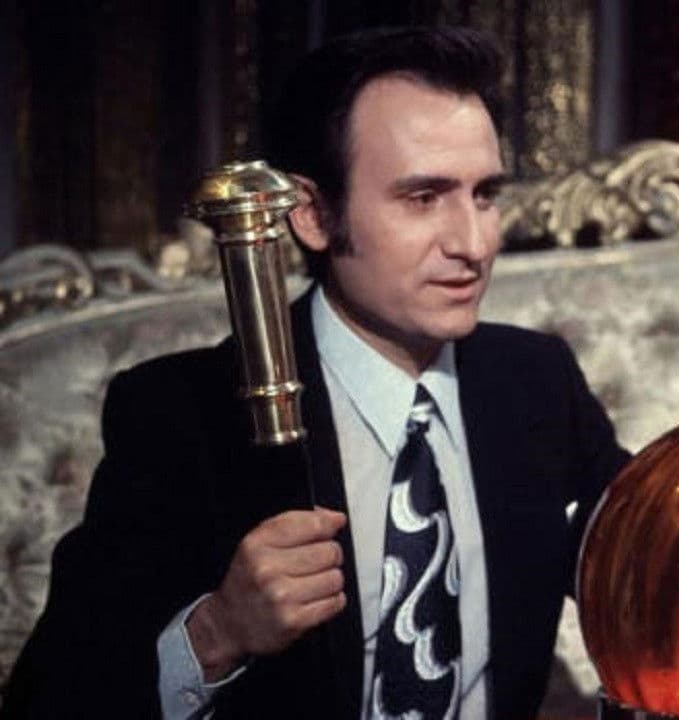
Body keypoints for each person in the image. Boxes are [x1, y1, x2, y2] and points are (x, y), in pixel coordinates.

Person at [2, 26, 629, 719]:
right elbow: (48, 700)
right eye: (423, 197)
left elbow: (656, 545)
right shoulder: (182, 414)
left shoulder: (537, 381)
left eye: (484, 194)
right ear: (311, 214)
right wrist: (219, 632)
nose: (473, 243)